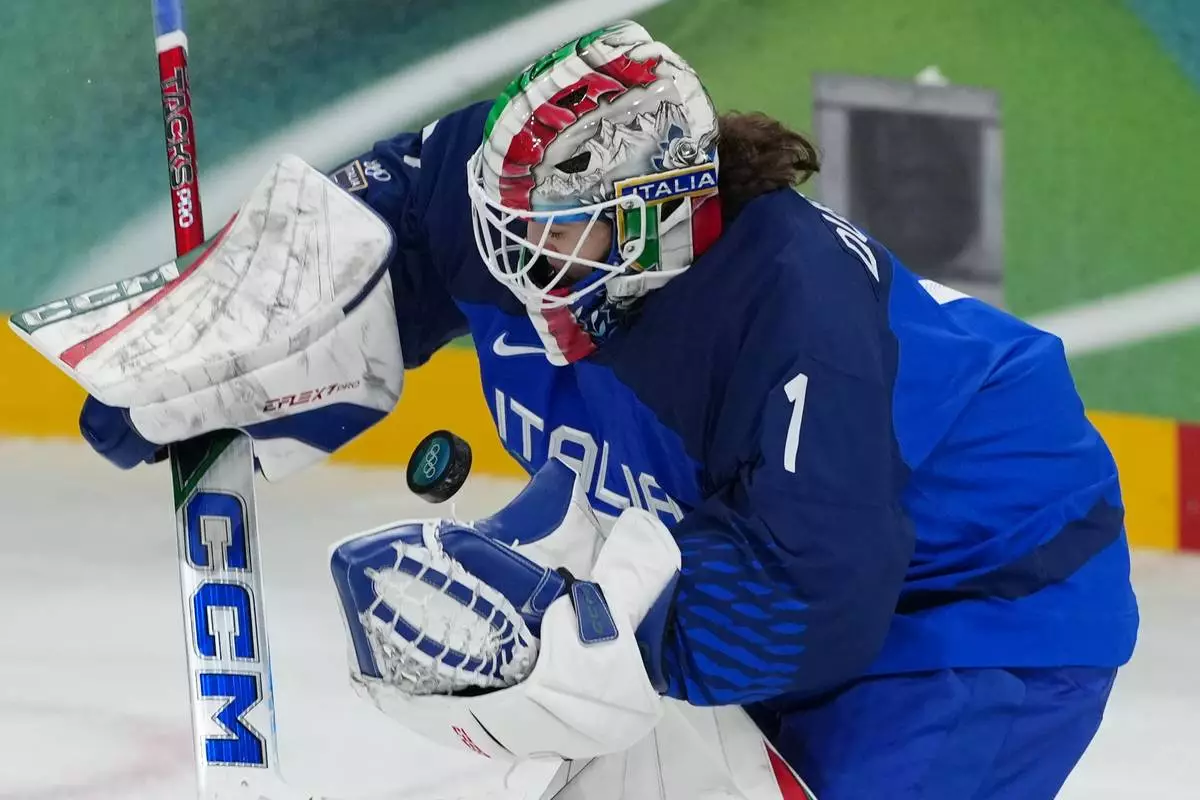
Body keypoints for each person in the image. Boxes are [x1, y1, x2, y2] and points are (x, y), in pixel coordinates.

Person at [78, 20, 1138, 799]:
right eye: (499, 223)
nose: (503, 262)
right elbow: (391, 225)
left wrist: (564, 638)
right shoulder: (529, 201)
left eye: (546, 239)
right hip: (787, 537)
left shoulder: (791, 317)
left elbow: (810, 593)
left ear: (650, 222)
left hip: (985, 614)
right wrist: (234, 334)